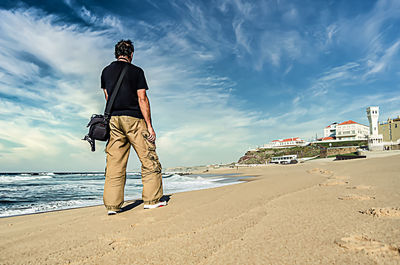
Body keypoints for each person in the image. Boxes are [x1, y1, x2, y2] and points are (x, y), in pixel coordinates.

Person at [100, 39, 166, 215]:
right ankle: (152, 200)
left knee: (115, 164)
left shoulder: (106, 71)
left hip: (113, 121)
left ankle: (112, 206)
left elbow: (108, 97)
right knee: (148, 158)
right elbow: (142, 98)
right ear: (131, 54)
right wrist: (150, 126)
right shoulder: (137, 71)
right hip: (135, 120)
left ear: (116, 53)